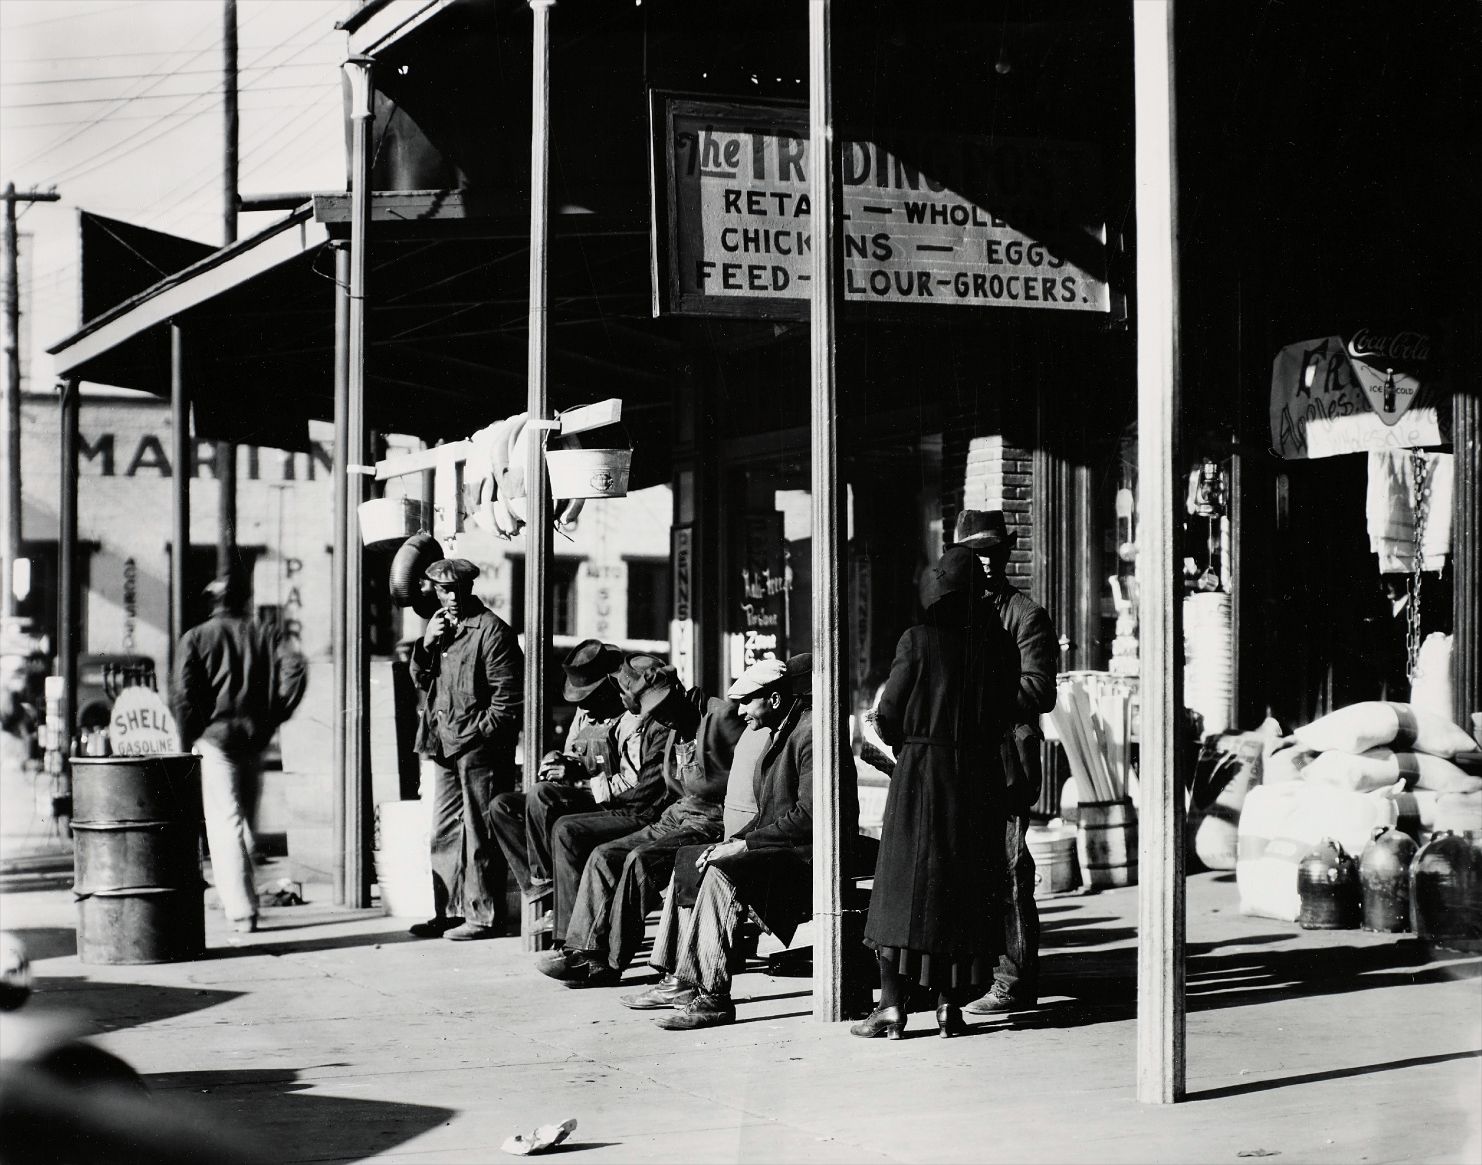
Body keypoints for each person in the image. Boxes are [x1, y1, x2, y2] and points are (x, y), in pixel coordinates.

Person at [624, 654, 857, 1031]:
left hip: (811, 856)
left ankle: (713, 997)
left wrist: (744, 846)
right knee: (690, 859)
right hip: (785, 849)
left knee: (720, 871)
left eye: (749, 700)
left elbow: (812, 818)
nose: (742, 710)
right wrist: (733, 840)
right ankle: (679, 979)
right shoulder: (784, 730)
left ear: (775, 700)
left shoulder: (811, 733)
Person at [853, 546, 1018, 1039]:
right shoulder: (996, 644)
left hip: (922, 774)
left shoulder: (918, 641)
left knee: (900, 891)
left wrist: (911, 744)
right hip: (975, 779)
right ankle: (950, 1010)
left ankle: (891, 1008)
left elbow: (887, 715)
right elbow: (1006, 712)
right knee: (958, 890)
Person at [535, 686, 746, 986]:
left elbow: (743, 778)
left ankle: (609, 963)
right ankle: (583, 950)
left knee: (640, 861)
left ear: (676, 698)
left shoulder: (720, 717)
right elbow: (672, 780)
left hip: (710, 819)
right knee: (603, 856)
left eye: (661, 711)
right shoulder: (674, 724)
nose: (660, 719)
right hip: (677, 812)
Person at [490, 650, 681, 939]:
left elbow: (635, 787)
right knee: (503, 806)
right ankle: (546, 888)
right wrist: (562, 763)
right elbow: (573, 755)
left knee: (547, 803)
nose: (585, 706)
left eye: (589, 696)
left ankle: (566, 923)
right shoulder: (585, 714)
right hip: (592, 792)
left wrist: (579, 780)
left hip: (618, 803)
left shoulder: (633, 719)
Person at [952, 509, 1060, 1016]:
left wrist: (973, 692)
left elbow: (1039, 690)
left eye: (995, 552)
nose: (988, 563)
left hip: (1007, 760)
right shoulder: (955, 611)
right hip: (962, 758)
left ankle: (1014, 979)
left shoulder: (1026, 614)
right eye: (977, 554)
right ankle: (981, 970)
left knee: (1011, 868)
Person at [172, 567, 308, 935]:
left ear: (213, 602)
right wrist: (276, 713)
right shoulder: (266, 634)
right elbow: (295, 667)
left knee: (226, 822)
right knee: (245, 820)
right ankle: (244, 892)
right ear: (245, 600)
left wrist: (185, 740)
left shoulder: (196, 638)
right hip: (254, 737)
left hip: (215, 740)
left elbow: (184, 696)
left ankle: (242, 910)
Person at [407, 558, 523, 941]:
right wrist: (425, 645)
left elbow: (507, 704)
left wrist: (477, 737)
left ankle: (483, 914)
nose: (452, 596)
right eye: (444, 589)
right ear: (435, 591)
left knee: (479, 832)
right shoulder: (440, 628)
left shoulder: (491, 632)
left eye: (458, 589)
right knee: (443, 831)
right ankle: (449, 911)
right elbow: (423, 681)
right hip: (443, 743)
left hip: (477, 751)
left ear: (470, 588)